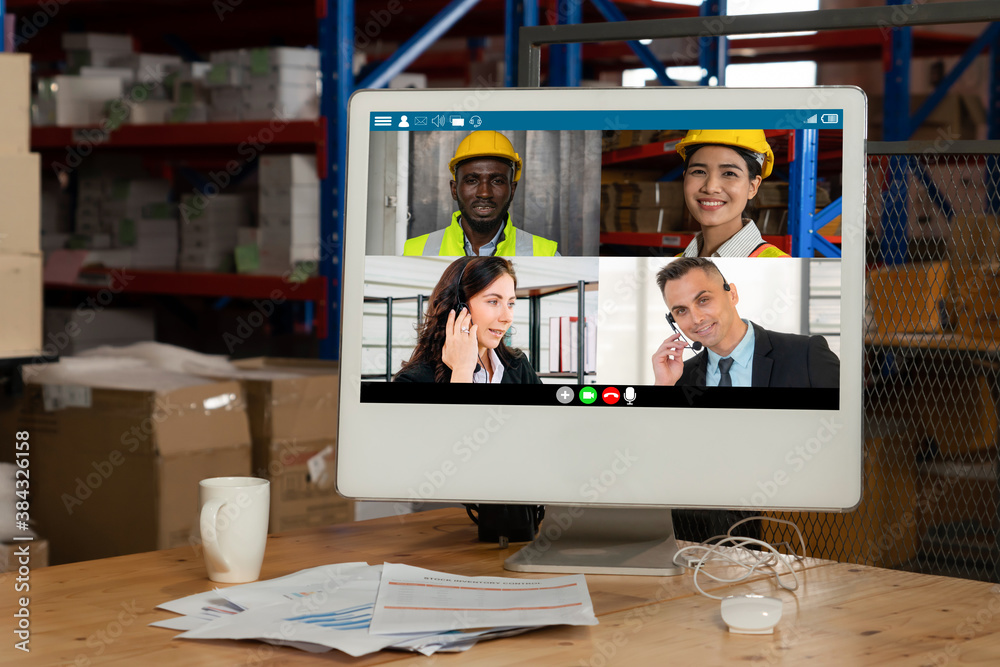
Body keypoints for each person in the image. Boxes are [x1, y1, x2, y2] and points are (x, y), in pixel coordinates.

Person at [651, 257, 839, 388]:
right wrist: (663, 388)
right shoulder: (680, 377)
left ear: (732, 295)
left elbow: (846, 427)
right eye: (681, 311)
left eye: (703, 300)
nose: (696, 319)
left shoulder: (806, 355)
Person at [402, 131, 560, 257]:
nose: (484, 193)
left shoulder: (545, 254)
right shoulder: (416, 252)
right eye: (472, 181)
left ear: (512, 190)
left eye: (497, 181)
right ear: (454, 189)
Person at [394, 256, 543, 384]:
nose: (507, 318)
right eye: (493, 301)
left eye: (510, 304)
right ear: (458, 306)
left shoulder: (519, 366)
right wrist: (462, 371)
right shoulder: (413, 380)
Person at [675, 129, 789, 258]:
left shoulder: (779, 267)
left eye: (729, 173)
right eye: (699, 172)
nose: (711, 187)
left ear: (753, 187)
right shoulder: (675, 262)